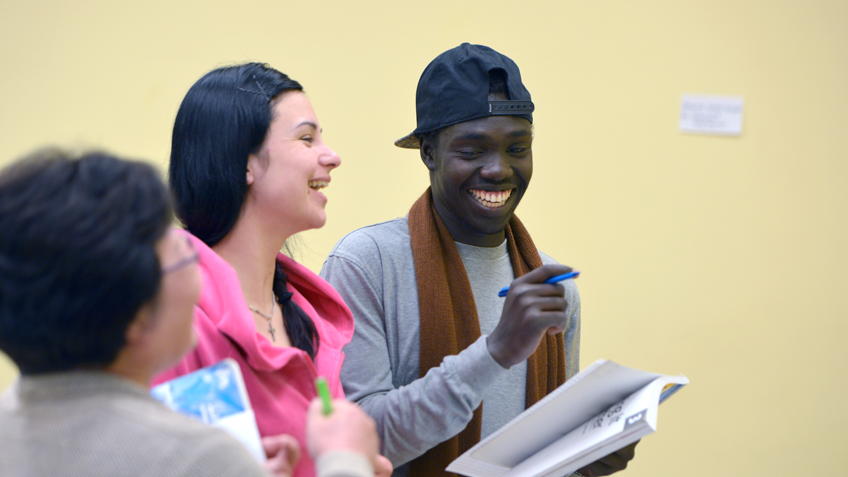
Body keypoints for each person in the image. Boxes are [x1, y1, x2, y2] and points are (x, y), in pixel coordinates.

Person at [320, 44, 637, 477]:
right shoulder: (367, 265)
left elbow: (542, 452)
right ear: (428, 152)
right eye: (472, 151)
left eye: (517, 147)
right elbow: (355, 443)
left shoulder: (553, 287)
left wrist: (583, 458)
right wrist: (495, 351)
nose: (498, 170)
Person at [0, 149, 382, 477]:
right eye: (176, 251)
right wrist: (344, 460)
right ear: (135, 319)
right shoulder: (193, 456)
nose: (196, 257)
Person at [153, 62, 390, 477]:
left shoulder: (309, 318)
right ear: (245, 163)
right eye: (306, 138)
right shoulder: (173, 320)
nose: (331, 156)